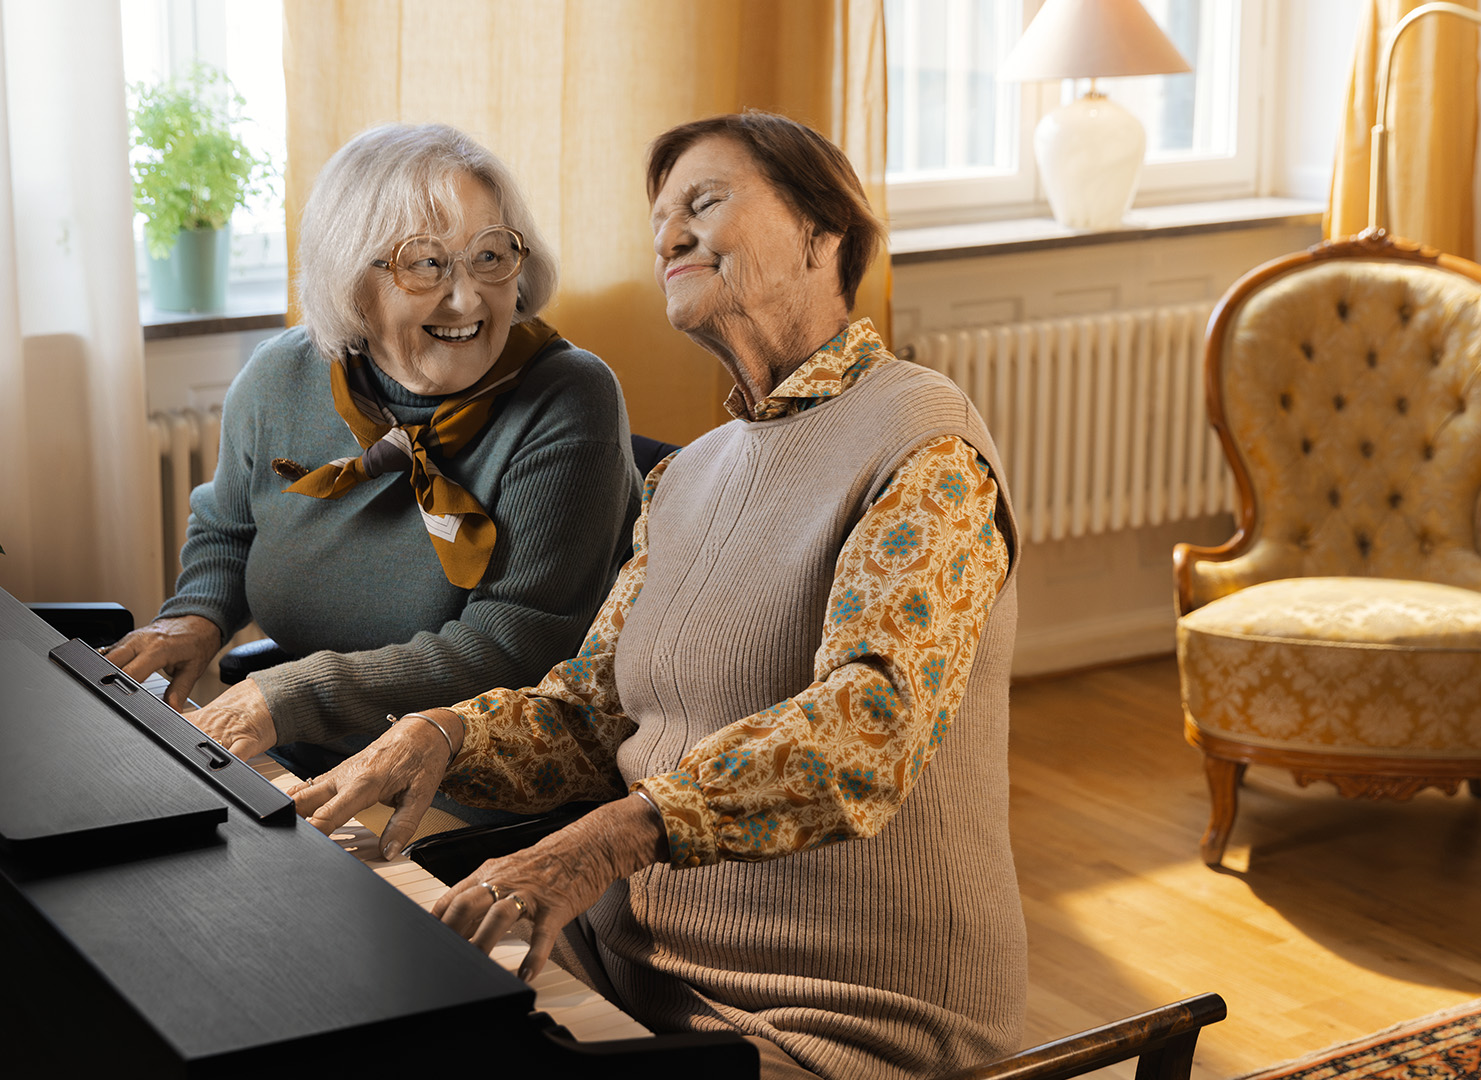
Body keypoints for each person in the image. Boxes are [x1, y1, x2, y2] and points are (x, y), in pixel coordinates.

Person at [291, 111, 1025, 1080]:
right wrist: (439, 736)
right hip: (621, 975)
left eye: (705, 202)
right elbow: (593, 720)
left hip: (830, 1021)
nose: (669, 231)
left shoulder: (923, 442)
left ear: (824, 231)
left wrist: (611, 839)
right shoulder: (688, 478)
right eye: (659, 215)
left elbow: (869, 730)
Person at [104, 123, 639, 836]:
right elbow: (231, 527)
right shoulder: (279, 378)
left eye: (490, 257)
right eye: (427, 264)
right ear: (351, 277)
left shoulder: (570, 399)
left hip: (461, 780)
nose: (467, 299)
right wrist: (198, 616)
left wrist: (293, 693)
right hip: (301, 748)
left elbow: (516, 646)